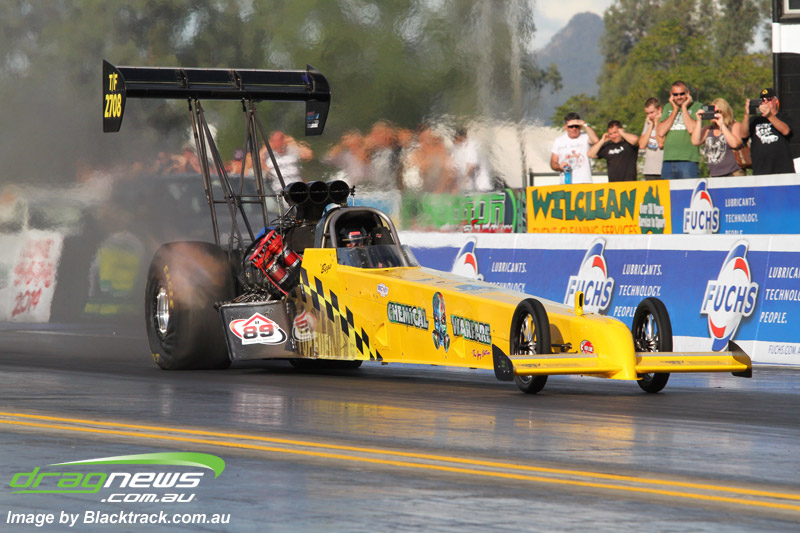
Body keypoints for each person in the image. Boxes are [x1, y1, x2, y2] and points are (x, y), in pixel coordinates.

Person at [741, 88, 795, 175]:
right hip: (761, 170)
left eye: (769, 99)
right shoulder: (755, 120)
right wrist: (746, 114)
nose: (765, 102)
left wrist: (769, 115)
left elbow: (786, 131)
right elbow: (743, 135)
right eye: (762, 100)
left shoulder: (783, 116)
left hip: (782, 169)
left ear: (775, 101)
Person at [656, 81, 702, 179]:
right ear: (671, 95)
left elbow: (692, 129)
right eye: (675, 94)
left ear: (687, 93)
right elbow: (661, 132)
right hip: (668, 160)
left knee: (689, 189)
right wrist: (675, 110)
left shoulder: (697, 106)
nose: (679, 97)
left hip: (688, 160)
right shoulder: (668, 107)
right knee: (668, 189)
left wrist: (684, 107)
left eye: (682, 94)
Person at [691, 98, 744, 177]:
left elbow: (734, 144)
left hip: (733, 172)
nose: (714, 114)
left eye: (717, 112)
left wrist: (722, 125)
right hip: (714, 174)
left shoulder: (734, 125)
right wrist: (699, 121)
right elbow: (695, 141)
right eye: (712, 112)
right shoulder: (709, 129)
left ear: (725, 112)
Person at [549, 112, 599, 184]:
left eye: (576, 126)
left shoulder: (586, 137)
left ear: (580, 126)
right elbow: (553, 163)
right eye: (571, 126)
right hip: (566, 182)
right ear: (566, 127)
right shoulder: (558, 141)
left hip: (584, 182)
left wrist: (584, 124)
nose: (574, 128)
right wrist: (559, 167)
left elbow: (596, 140)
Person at [639, 98, 665, 180]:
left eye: (652, 112)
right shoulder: (648, 122)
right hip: (649, 170)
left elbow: (661, 143)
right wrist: (650, 125)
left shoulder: (665, 121)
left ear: (659, 109)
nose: (649, 116)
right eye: (647, 113)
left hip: (662, 169)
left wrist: (656, 123)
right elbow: (642, 145)